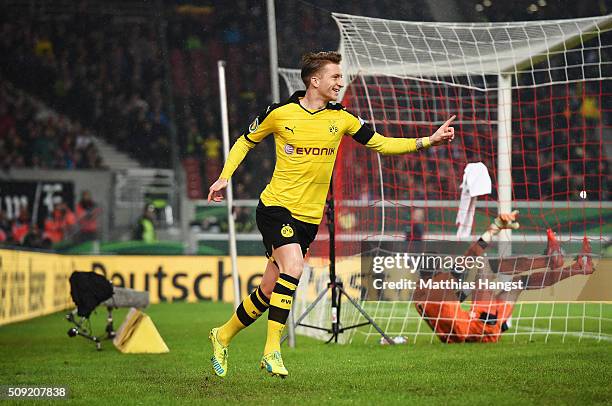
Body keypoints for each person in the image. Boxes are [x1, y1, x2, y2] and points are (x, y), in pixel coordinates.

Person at [207, 51, 456, 378]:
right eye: (335, 77)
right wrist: (225, 175)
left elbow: (380, 143)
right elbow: (244, 141)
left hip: (309, 220)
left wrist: (428, 141)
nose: (341, 82)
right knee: (294, 267)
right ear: (315, 80)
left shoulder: (342, 118)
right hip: (275, 207)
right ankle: (272, 350)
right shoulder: (280, 113)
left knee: (269, 291)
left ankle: (222, 334)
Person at [413, 212, 595, 343]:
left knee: (518, 283)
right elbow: (473, 253)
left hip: (485, 332)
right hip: (479, 325)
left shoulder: (420, 297)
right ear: (436, 270)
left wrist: (475, 286)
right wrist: (495, 227)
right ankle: (548, 261)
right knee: (484, 263)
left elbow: (455, 301)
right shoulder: (442, 281)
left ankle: (576, 268)